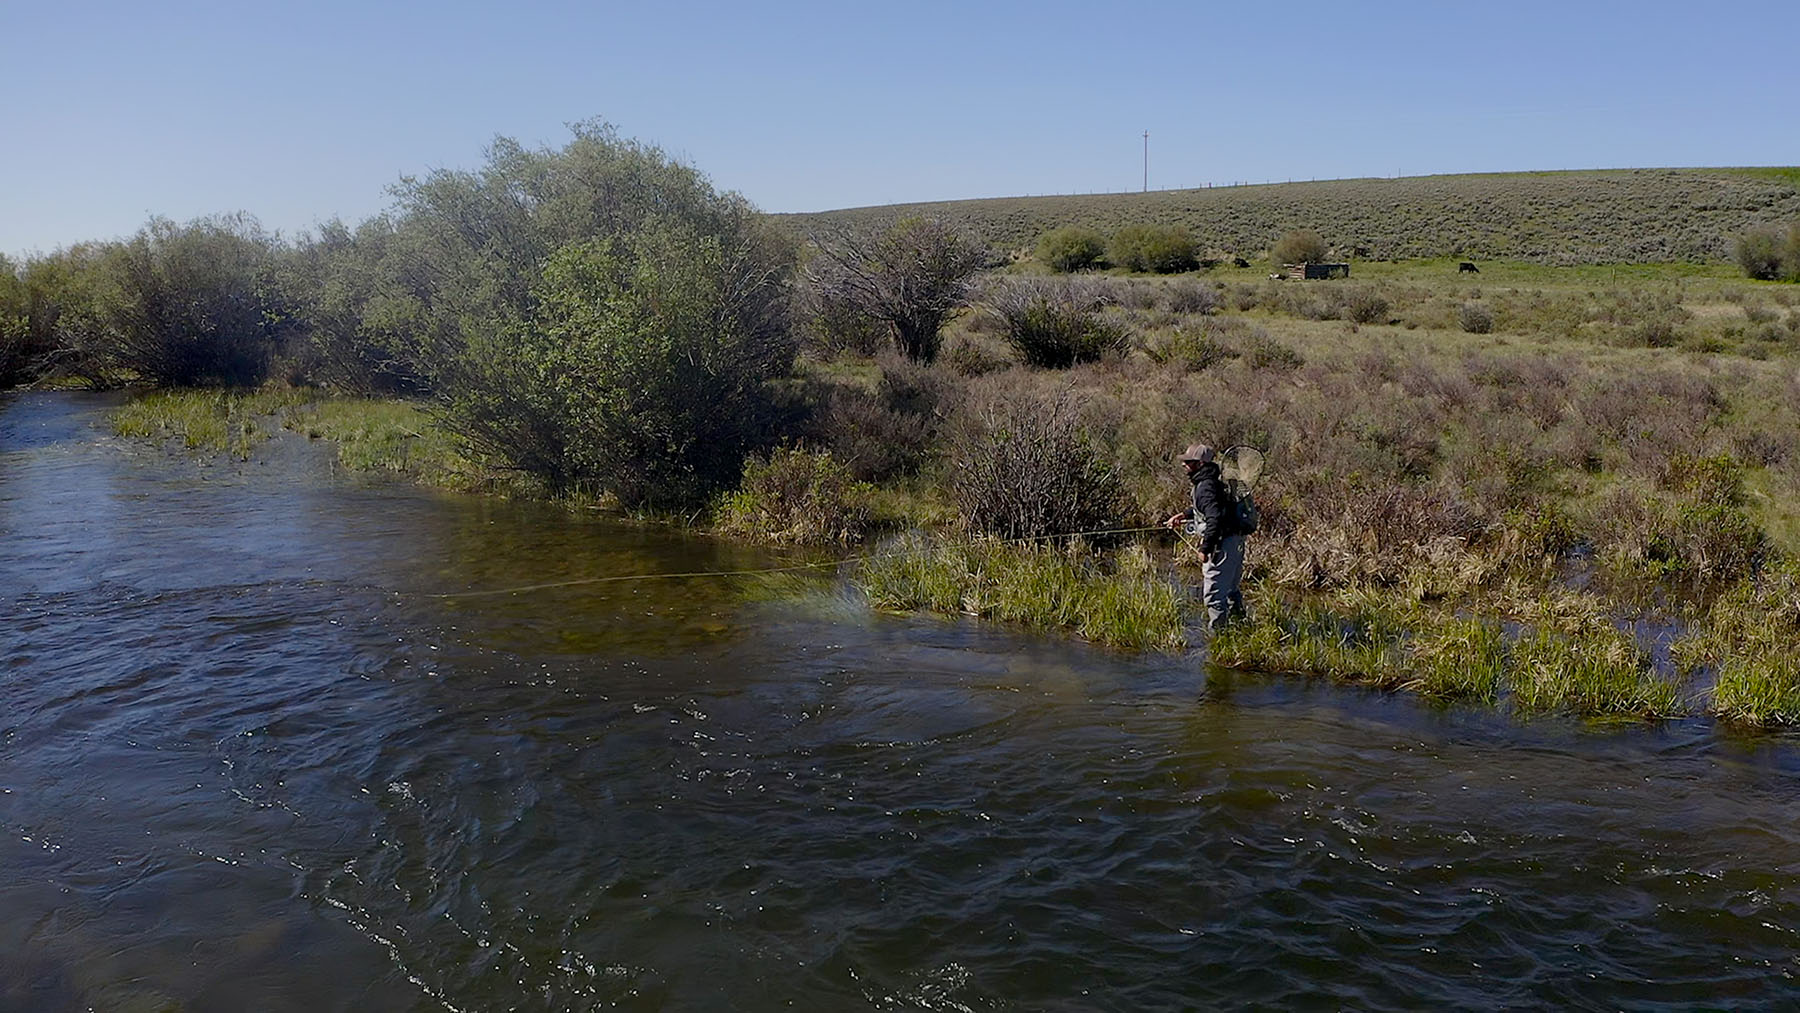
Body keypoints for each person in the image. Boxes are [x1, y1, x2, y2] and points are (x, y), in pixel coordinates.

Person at [1163, 443, 1247, 631]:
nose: (1184, 464)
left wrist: (1205, 548)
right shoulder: (1212, 482)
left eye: (1188, 461)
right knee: (1231, 589)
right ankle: (1241, 628)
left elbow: (1214, 518)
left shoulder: (1205, 486)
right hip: (1235, 542)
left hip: (1222, 544)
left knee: (1214, 595)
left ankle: (1220, 640)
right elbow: (1210, 508)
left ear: (1200, 464)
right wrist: (1184, 515)